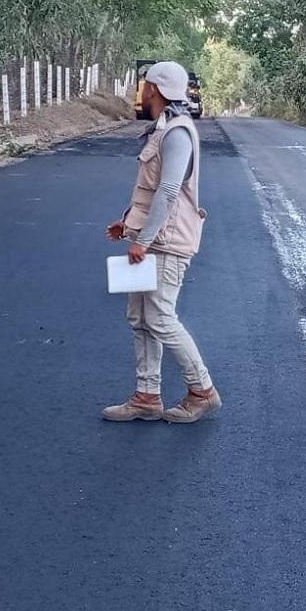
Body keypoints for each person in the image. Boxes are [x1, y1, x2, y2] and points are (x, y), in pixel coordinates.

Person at [103, 61, 220, 423]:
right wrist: (129, 224)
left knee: (160, 316)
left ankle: (202, 390)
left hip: (167, 243)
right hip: (150, 238)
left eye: (144, 85)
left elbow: (169, 191)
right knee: (140, 318)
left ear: (154, 89)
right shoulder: (163, 128)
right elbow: (151, 191)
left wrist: (147, 238)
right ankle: (146, 396)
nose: (142, 90)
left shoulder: (178, 133)